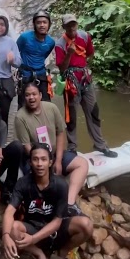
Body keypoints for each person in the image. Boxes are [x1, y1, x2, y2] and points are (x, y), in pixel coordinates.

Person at [2, 143, 94, 259]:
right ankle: (38, 253)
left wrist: (33, 238)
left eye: (43, 159)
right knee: (12, 227)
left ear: (50, 162)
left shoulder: (61, 185)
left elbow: (57, 222)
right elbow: (10, 211)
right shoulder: (23, 183)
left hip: (55, 230)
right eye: (35, 159)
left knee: (86, 225)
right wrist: (5, 235)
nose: (39, 164)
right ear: (30, 162)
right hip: (32, 227)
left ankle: (62, 252)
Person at [8, 83, 88, 214]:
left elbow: (60, 133)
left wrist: (57, 161)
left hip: (55, 154)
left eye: (34, 94)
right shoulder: (20, 117)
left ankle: (69, 203)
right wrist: (46, 164)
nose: (31, 98)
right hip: (35, 159)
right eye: (27, 95)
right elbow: (27, 148)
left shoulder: (51, 108)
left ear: (40, 95)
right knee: (42, 179)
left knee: (82, 164)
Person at [53, 14, 117, 158]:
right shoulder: (60, 44)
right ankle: (72, 147)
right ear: (64, 27)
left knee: (93, 111)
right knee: (71, 115)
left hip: (85, 79)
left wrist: (84, 68)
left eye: (73, 24)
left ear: (77, 24)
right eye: (68, 25)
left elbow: (89, 53)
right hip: (70, 81)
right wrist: (69, 54)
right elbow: (62, 68)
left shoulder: (85, 36)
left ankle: (100, 145)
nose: (72, 28)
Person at [15, 11, 57, 108]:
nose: (42, 25)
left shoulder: (51, 42)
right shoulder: (24, 37)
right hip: (25, 75)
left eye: (44, 22)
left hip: (41, 75)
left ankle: (44, 123)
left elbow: (44, 55)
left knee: (46, 105)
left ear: (49, 24)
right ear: (34, 24)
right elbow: (16, 52)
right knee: (23, 106)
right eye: (38, 22)